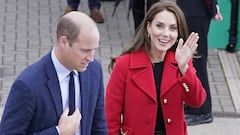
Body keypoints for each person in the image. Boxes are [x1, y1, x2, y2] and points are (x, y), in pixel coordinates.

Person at [105, 1, 206, 135]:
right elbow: (110, 116)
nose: (166, 34)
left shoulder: (181, 62)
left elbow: (197, 101)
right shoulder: (124, 64)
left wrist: (184, 68)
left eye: (172, 28)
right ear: (148, 27)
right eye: (159, 26)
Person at [0, 11, 107, 135]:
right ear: (64, 42)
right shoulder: (28, 85)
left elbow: (98, 125)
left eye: (94, 49)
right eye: (85, 50)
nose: (91, 58)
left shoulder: (94, 71)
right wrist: (58, 132)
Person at [176, 0, 223, 126]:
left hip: (196, 13)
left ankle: (202, 110)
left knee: (197, 62)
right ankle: (195, 105)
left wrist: (213, 8)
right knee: (191, 60)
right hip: (191, 11)